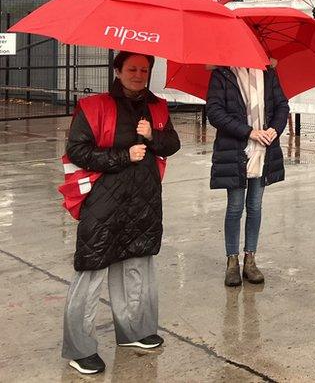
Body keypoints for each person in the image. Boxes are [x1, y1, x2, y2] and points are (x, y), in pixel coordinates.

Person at [61, 51, 181, 374]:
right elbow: (77, 150)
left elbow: (173, 144)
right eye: (132, 68)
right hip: (104, 204)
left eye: (144, 69)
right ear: (118, 70)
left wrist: (152, 135)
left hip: (143, 202)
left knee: (137, 267)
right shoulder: (93, 106)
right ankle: (80, 348)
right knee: (91, 271)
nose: (138, 74)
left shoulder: (157, 108)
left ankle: (135, 332)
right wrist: (124, 155)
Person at [207, 59, 289, 286]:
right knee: (235, 207)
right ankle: (232, 261)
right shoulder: (222, 74)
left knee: (255, 206)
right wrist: (249, 132)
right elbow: (214, 112)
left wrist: (274, 129)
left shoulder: (268, 72)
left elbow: (282, 105)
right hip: (236, 150)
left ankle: (250, 260)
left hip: (263, 149)